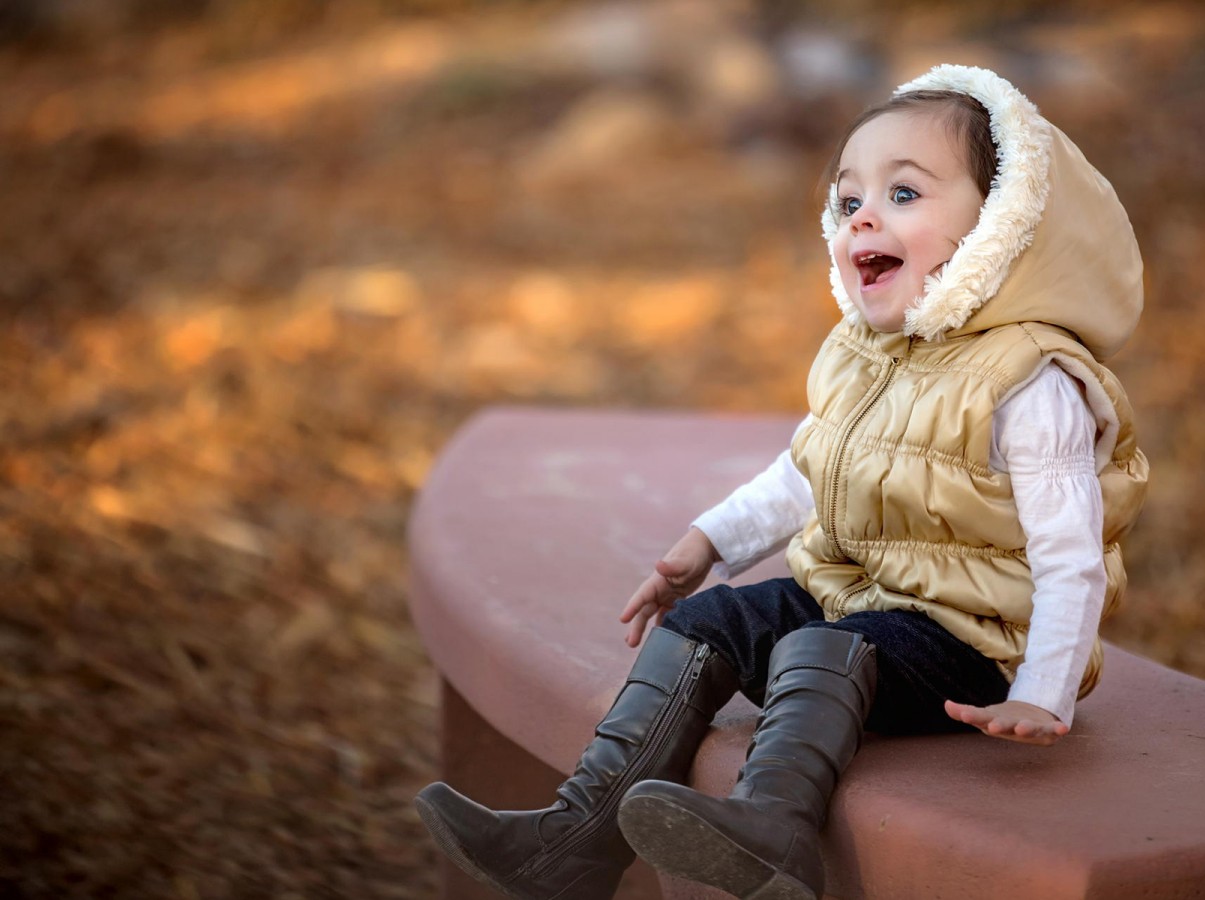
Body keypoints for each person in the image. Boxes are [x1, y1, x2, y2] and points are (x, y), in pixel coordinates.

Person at [414, 64, 1148, 900]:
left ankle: (775, 832)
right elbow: (809, 469)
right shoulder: (866, 356)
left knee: (825, 644)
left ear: (1004, 231)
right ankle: (574, 839)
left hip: (978, 644)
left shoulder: (1030, 381)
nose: (865, 214)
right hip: (865, 609)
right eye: (848, 201)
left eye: (905, 194)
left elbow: (1069, 553)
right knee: (709, 622)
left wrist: (1042, 693)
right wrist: (710, 542)